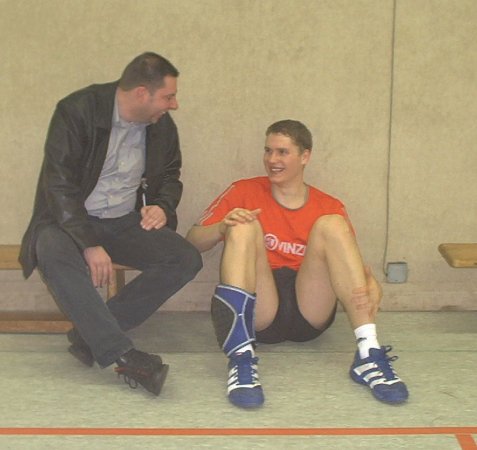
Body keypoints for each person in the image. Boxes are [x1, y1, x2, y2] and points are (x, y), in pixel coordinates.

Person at [186, 119, 408, 409]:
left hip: (310, 307)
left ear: (305, 156)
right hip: (260, 307)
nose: (272, 160)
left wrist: (370, 283)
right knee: (242, 224)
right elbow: (192, 241)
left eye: (282, 152)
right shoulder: (243, 191)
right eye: (268, 151)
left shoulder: (329, 204)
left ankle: (368, 354)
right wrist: (221, 228)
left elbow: (350, 264)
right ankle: (241, 359)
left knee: (332, 224)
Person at [19, 52, 203, 396]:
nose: (174, 105)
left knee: (184, 258)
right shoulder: (77, 111)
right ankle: (123, 355)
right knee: (50, 248)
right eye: (168, 96)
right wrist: (88, 243)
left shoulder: (161, 124)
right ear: (141, 93)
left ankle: (89, 335)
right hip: (68, 222)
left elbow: (169, 174)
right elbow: (58, 186)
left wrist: (162, 206)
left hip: (122, 221)